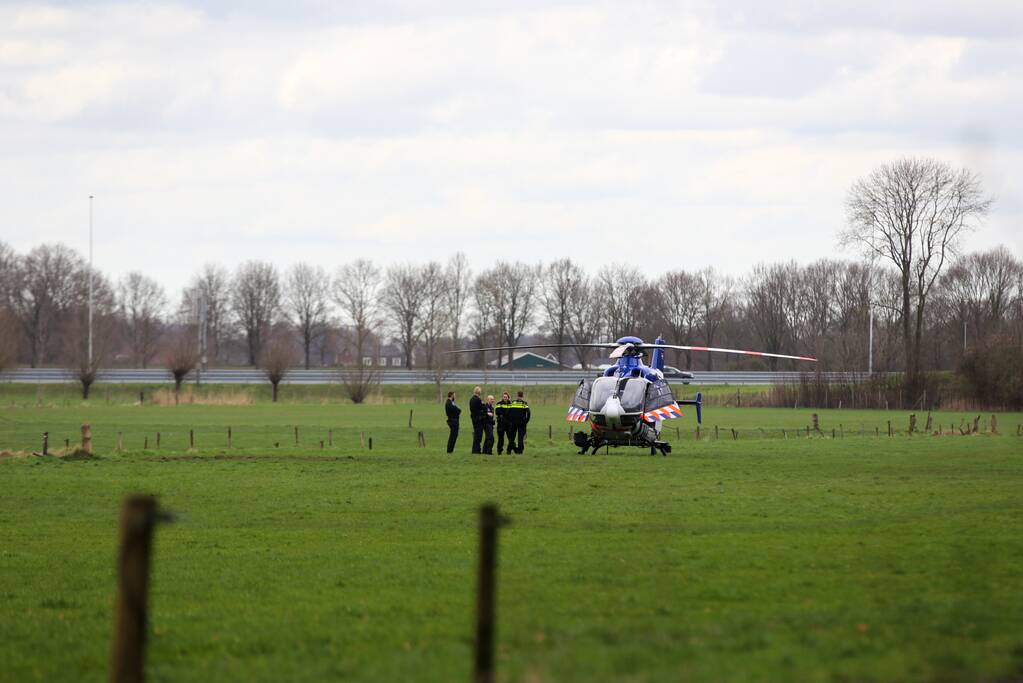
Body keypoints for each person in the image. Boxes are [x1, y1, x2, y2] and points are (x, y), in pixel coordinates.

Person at [469, 386, 485, 454]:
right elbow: (482, 408)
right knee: (478, 435)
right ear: (479, 392)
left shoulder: (471, 399)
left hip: (473, 418)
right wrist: (483, 404)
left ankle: (474, 449)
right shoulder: (478, 400)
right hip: (479, 419)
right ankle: (477, 450)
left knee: (476, 434)